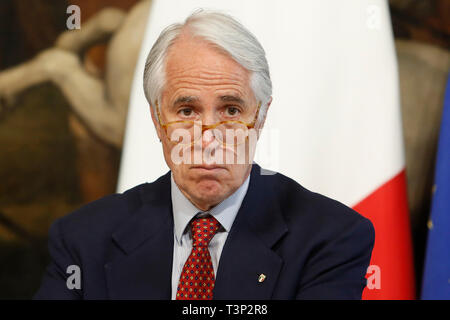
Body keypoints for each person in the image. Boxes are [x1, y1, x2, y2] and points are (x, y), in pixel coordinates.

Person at [34, 10, 374, 300]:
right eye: (186, 111)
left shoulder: (330, 237)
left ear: (260, 117)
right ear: (156, 120)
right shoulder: (82, 239)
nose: (207, 137)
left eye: (230, 109)